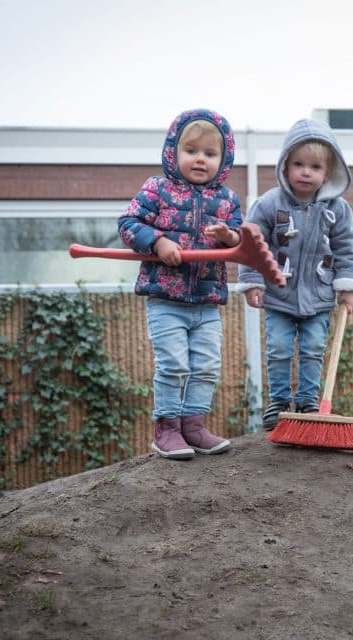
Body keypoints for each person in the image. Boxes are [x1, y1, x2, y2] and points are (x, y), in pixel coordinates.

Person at [118, 108, 242, 459]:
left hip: (206, 302)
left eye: (210, 153)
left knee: (206, 366)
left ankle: (194, 427)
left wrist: (228, 234)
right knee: (173, 364)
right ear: (173, 152)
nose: (200, 159)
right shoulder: (157, 189)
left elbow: (239, 240)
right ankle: (167, 430)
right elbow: (128, 223)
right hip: (166, 299)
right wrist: (157, 242)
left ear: (224, 158)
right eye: (191, 151)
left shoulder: (228, 200)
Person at [238, 118, 353, 430]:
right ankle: (279, 401)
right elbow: (250, 243)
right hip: (279, 294)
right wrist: (252, 280)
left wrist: (347, 286)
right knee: (279, 347)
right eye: (298, 164)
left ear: (328, 172)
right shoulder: (268, 204)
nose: (306, 172)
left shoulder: (338, 209)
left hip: (319, 295)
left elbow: (347, 247)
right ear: (285, 165)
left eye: (315, 167)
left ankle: (308, 400)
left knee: (312, 349)